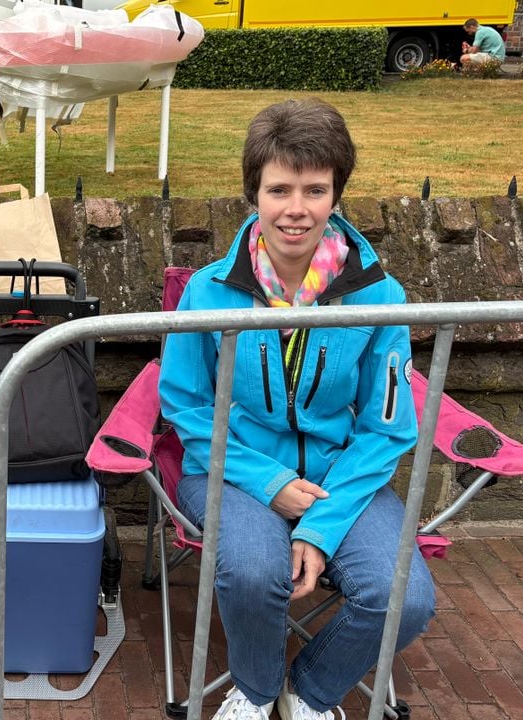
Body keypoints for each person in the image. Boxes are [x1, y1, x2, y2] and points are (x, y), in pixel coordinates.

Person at [158, 99, 436, 720]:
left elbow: (386, 428)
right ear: (253, 193)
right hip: (232, 471)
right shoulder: (206, 292)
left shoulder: (380, 298)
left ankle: (310, 694)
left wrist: (319, 525)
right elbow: (184, 404)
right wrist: (271, 482)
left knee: (405, 598)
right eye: (279, 188)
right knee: (255, 574)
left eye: (316, 189)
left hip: (341, 480)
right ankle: (255, 691)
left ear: (336, 194)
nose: (296, 209)